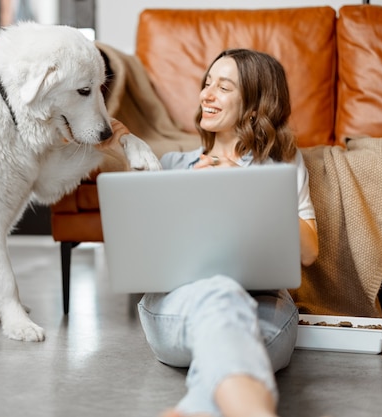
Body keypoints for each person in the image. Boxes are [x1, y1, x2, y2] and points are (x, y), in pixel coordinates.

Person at [113, 49, 319, 417]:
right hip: (176, 313)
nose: (206, 95)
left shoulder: (280, 164)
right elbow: (146, 253)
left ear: (255, 105)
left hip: (264, 314)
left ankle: (197, 409)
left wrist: (243, 186)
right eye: (207, 84)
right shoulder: (174, 166)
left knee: (224, 335)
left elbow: (309, 252)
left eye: (222, 88)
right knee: (220, 291)